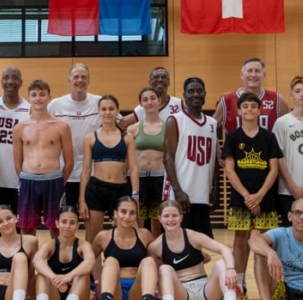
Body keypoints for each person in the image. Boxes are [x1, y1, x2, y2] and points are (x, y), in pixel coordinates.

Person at [222, 91, 282, 300]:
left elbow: (274, 170)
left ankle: (268, 286)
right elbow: (229, 170)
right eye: (245, 106)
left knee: (266, 241)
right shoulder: (233, 137)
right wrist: (248, 196)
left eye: (253, 106)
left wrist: (260, 196)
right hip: (241, 198)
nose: (249, 109)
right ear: (239, 111)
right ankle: (239, 285)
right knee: (240, 240)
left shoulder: (269, 137)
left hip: (266, 198)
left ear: (259, 110)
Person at [148, 200, 246, 300]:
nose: (171, 219)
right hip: (182, 297)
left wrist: (231, 269)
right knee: (164, 269)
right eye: (166, 216)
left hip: (206, 294)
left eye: (174, 215)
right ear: (159, 218)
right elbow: (150, 273)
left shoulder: (193, 236)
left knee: (222, 264)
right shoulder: (155, 246)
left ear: (181, 217)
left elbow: (224, 249)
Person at [13, 79, 73, 237]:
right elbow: (17, 163)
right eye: (34, 95)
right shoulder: (19, 128)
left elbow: (69, 162)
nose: (38, 98)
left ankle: (56, 254)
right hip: (28, 181)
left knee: (56, 226)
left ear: (49, 97)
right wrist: (26, 178)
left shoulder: (61, 126)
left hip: (53, 180)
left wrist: (59, 181)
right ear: (29, 98)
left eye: (42, 94)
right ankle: (29, 254)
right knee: (26, 228)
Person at [91, 197, 160, 300]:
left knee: (149, 261)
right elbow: (88, 260)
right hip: (113, 291)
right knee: (111, 260)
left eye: (132, 213)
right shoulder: (103, 236)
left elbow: (158, 258)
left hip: (137, 293)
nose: (127, 217)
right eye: (123, 211)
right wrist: (96, 281)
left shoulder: (144, 235)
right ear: (115, 213)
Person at [164, 77, 220, 238]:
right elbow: (167, 158)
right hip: (182, 195)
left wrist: (216, 189)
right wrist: (177, 191)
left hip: (202, 193)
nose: (196, 94)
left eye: (199, 91)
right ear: (184, 96)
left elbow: (214, 160)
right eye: (191, 91)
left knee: (201, 243)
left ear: (205, 94)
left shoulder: (212, 123)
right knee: (178, 242)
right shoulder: (174, 120)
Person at [80, 94, 140, 242]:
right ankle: (93, 259)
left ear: (117, 111)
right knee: (93, 237)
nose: (107, 112)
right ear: (98, 111)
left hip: (121, 189)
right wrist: (81, 199)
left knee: (126, 234)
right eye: (104, 109)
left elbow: (133, 168)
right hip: (96, 189)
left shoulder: (127, 137)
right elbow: (86, 170)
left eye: (111, 109)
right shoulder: (90, 137)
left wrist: (135, 194)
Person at [31, 206, 96, 300]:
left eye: (72, 223)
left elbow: (90, 261)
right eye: (64, 222)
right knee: (41, 274)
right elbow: (36, 260)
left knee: (83, 273)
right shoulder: (50, 244)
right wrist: (54, 277)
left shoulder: (83, 245)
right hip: (54, 297)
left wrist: (68, 277)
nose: (67, 226)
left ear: (77, 226)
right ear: (57, 223)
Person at [48, 63, 102, 210]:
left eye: (83, 77)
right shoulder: (55, 105)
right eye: (76, 77)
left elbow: (121, 123)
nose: (80, 80)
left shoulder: (99, 102)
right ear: (69, 80)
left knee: (90, 216)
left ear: (88, 81)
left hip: (91, 173)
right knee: (66, 217)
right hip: (64, 173)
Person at [272, 76, 303, 229]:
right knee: (290, 233)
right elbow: (278, 158)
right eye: (298, 91)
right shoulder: (282, 123)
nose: (302, 94)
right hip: (287, 190)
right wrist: (292, 186)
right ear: (291, 94)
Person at [0, 66, 30, 217]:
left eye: (15, 78)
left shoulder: (30, 110)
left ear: (21, 82)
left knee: (21, 226)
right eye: (6, 78)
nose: (10, 81)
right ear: (1, 81)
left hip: (22, 180)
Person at [126, 87, 168, 234]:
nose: (149, 102)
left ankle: (157, 248)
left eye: (152, 98)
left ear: (159, 101)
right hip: (139, 179)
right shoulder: (132, 129)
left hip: (160, 178)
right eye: (145, 99)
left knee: (158, 221)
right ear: (141, 104)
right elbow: (126, 157)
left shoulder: (169, 127)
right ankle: (138, 248)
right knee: (138, 219)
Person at [214, 57, 289, 134]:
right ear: (242, 75)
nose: (253, 74)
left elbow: (290, 127)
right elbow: (211, 129)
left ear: (264, 75)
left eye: (257, 71)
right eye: (250, 71)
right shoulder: (226, 100)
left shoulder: (277, 99)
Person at [116, 67, 183, 129]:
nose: (160, 80)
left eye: (163, 77)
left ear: (169, 81)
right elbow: (122, 124)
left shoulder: (179, 103)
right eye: (156, 77)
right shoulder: (142, 108)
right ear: (150, 82)